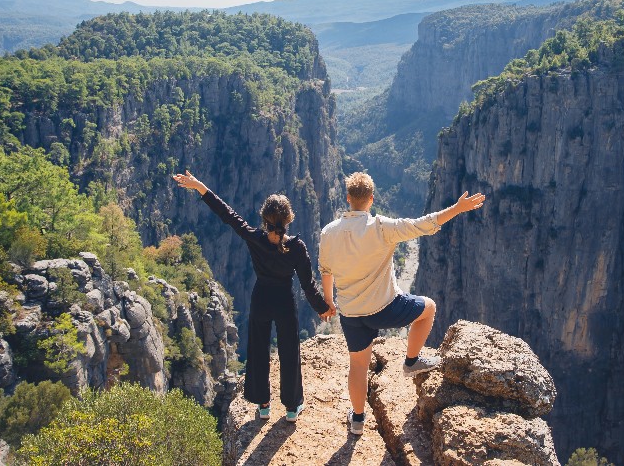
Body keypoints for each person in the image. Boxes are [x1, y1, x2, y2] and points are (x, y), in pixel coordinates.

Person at [318, 172, 485, 435]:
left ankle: (358, 420)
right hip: (385, 308)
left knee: (359, 366)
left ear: (348, 198)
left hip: (350, 313)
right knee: (428, 308)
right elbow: (424, 224)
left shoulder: (328, 232)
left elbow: (325, 270)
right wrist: (457, 208)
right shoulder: (382, 227)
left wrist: (329, 302)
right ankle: (411, 362)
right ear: (371, 199)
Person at [173, 169, 334, 422]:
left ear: (264, 219)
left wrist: (199, 186)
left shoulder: (254, 238)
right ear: (288, 219)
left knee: (258, 350)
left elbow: (227, 214)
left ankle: (263, 406)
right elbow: (307, 285)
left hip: (260, 299)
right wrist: (323, 308)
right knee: (289, 351)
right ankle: (292, 408)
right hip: (284, 302)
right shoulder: (297, 248)